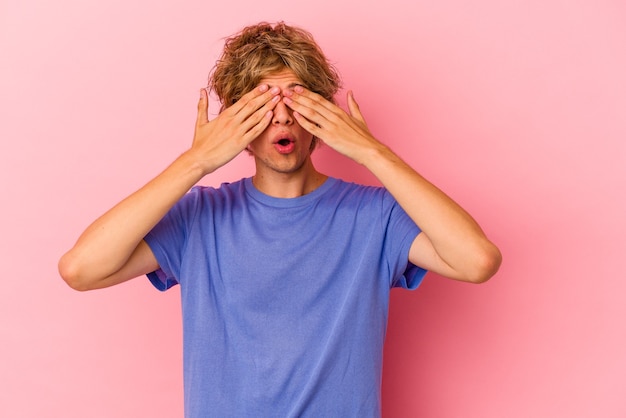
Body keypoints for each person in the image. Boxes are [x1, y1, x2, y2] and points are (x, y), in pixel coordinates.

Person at [59, 22, 501, 418]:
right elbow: (81, 269)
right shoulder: (199, 217)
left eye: (298, 99)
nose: (284, 116)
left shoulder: (374, 216)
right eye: (262, 105)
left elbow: (476, 260)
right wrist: (195, 162)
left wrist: (371, 152)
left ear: (322, 115)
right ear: (237, 123)